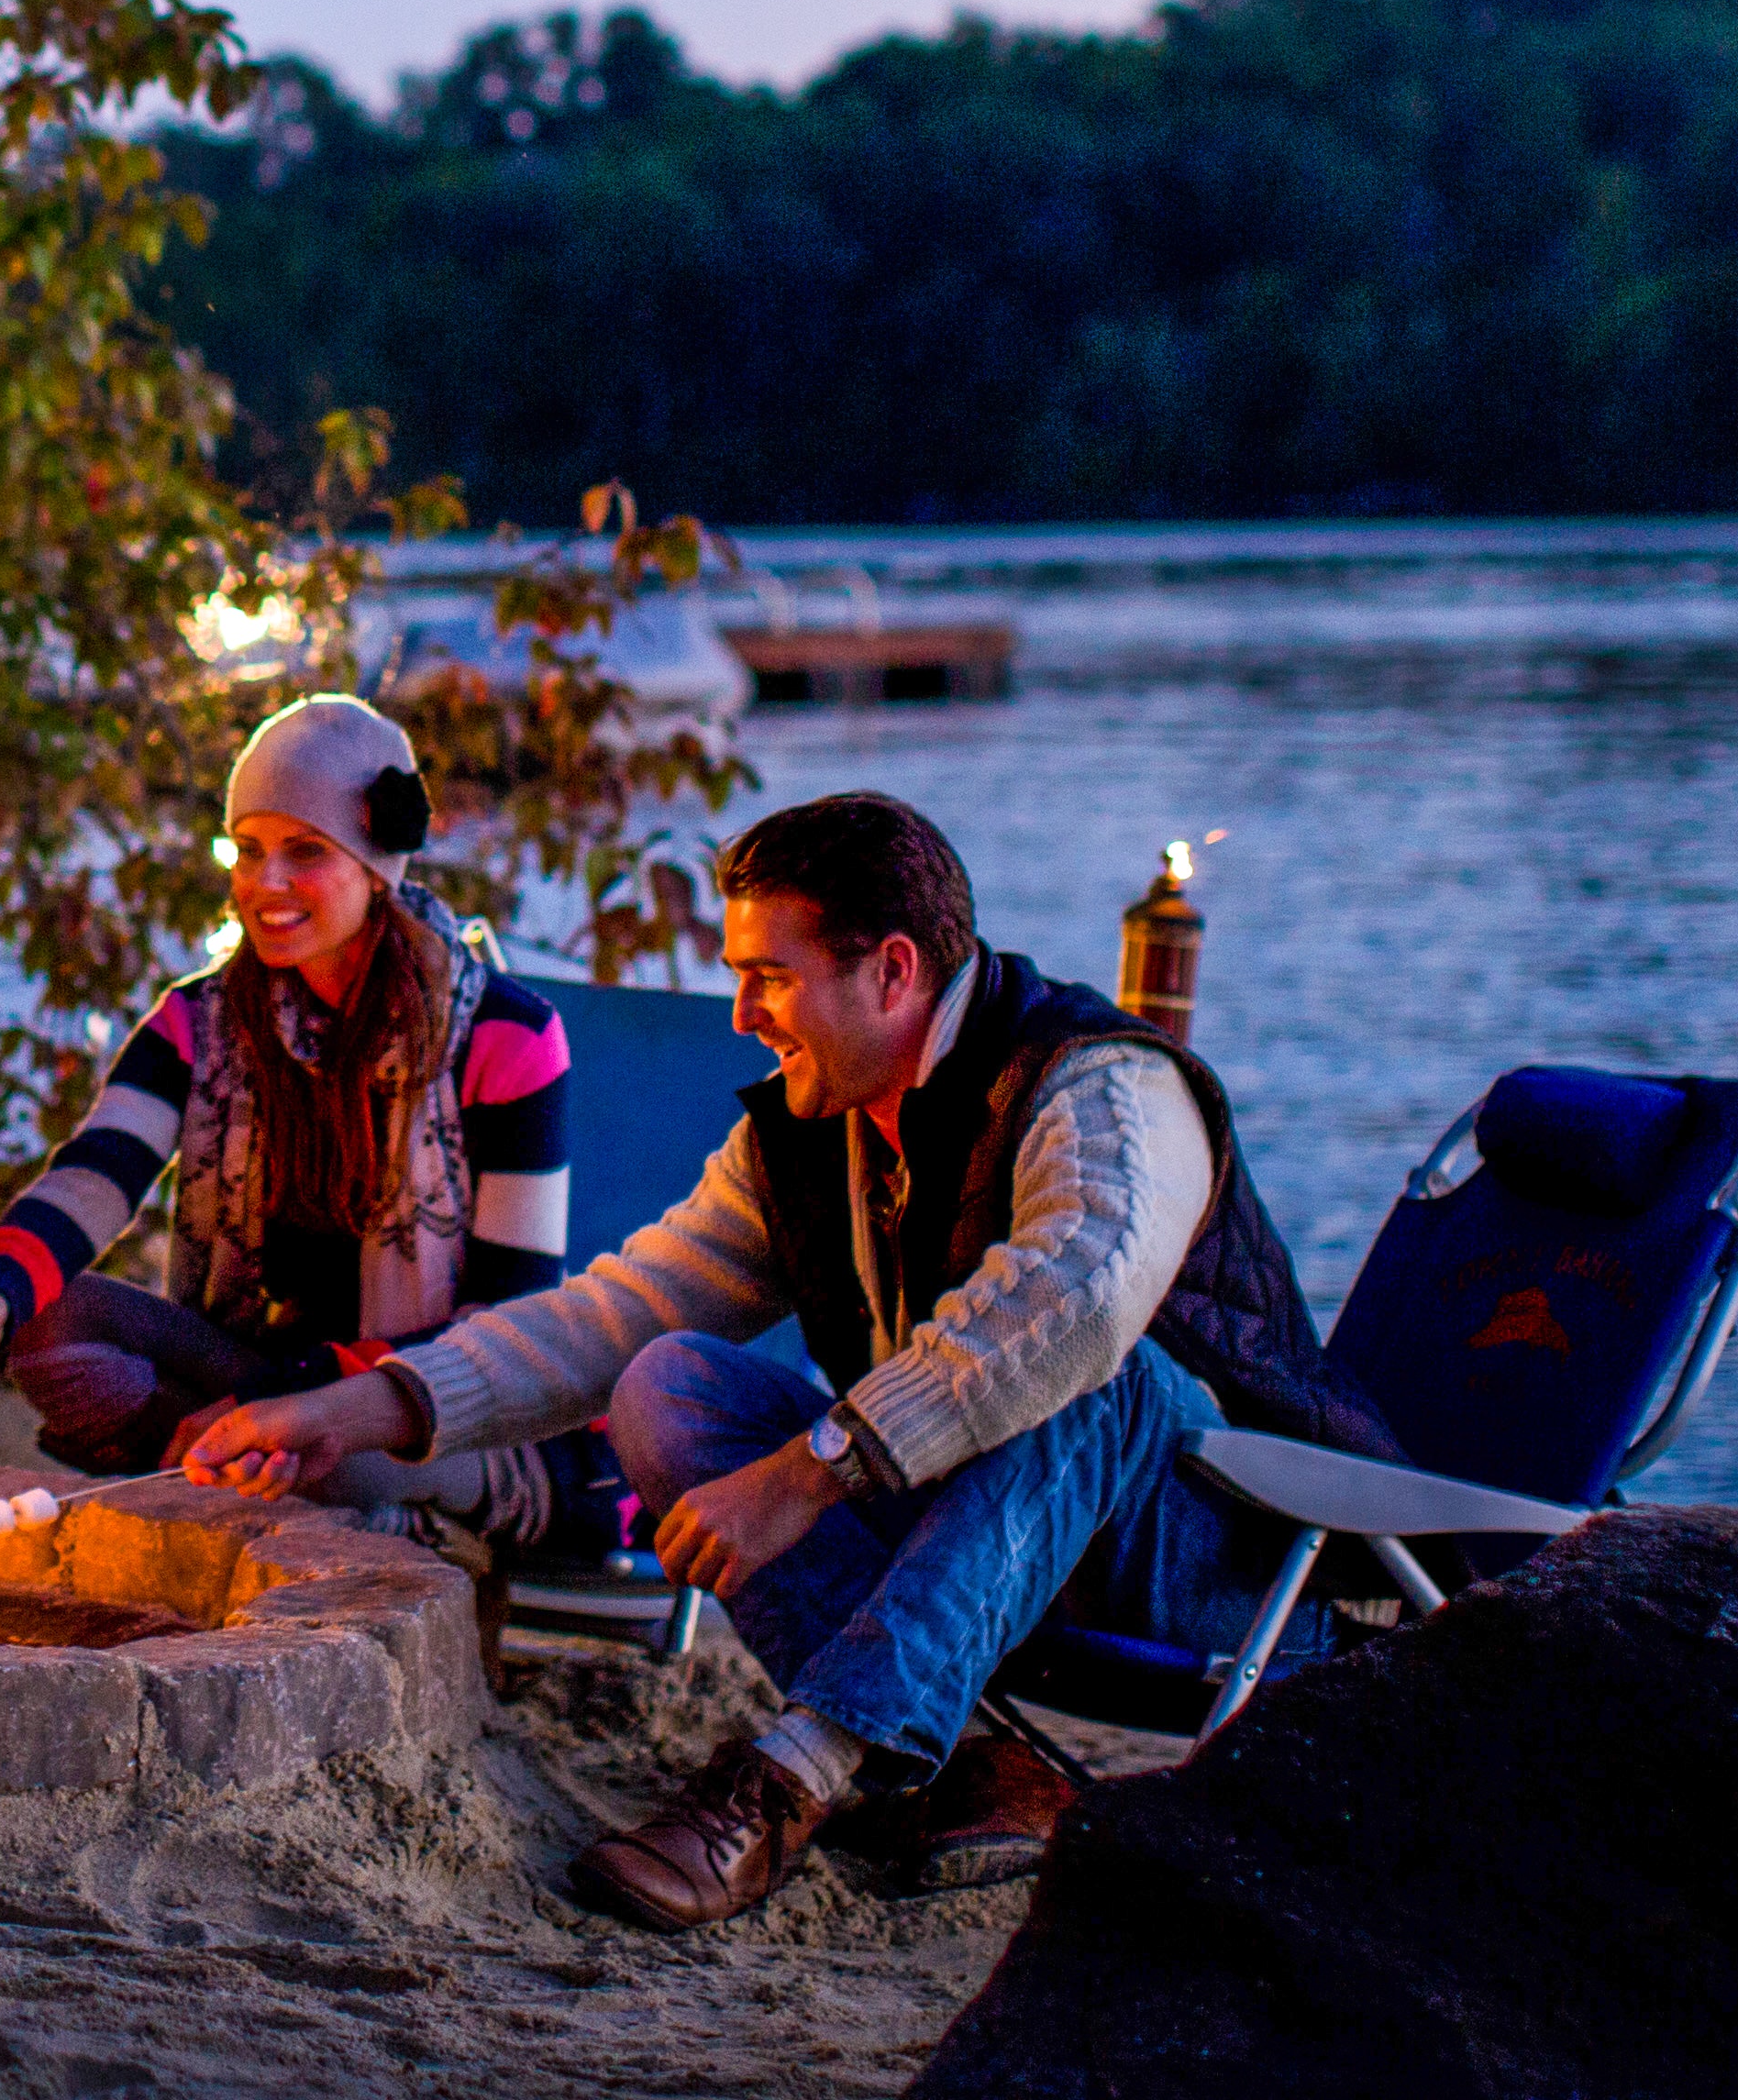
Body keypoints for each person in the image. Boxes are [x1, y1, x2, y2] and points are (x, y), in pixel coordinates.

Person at [178, 790, 1401, 1927]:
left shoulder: (1106, 1086)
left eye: (769, 977)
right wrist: (364, 1407)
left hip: (1214, 1560)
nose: (742, 1015)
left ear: (894, 971)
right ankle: (974, 1763)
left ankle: (794, 1773)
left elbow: (1076, 1300)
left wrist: (812, 1471)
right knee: (668, 1381)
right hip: (981, 1559)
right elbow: (616, 1312)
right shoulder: (811, 1130)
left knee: (1086, 1363)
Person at [0, 697, 617, 1572]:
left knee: (337, 1453)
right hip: (258, 1372)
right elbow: (101, 1168)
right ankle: (266, 1484)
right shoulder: (202, 1021)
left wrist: (305, 1404)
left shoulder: (504, 1036)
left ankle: (321, 1504)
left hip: (438, 1406)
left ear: (378, 866)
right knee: (55, 1325)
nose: (265, 883)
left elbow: (509, 1318)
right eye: (247, 851)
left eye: (306, 852)